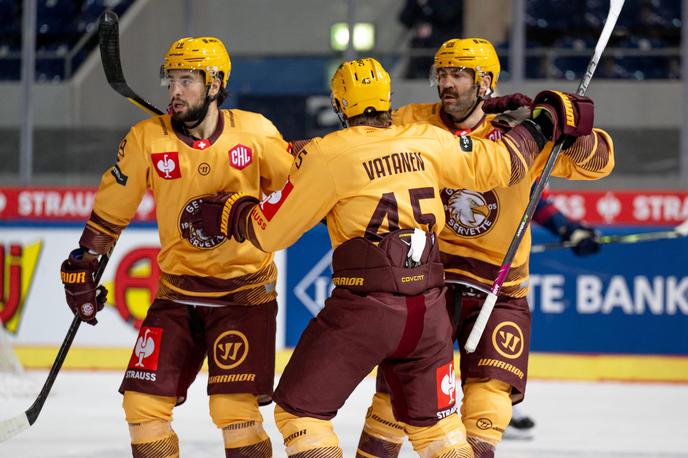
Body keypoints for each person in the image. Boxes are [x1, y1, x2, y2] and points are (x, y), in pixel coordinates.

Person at [195, 57, 594, 457]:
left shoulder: (327, 154)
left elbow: (270, 232)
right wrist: (540, 123)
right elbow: (504, 164)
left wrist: (231, 212)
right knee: (438, 433)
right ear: (387, 100)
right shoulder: (427, 138)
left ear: (338, 106)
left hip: (366, 309)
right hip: (430, 312)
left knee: (301, 415)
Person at [355, 38, 614, 457]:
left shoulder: (521, 131)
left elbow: (598, 164)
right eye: (442, 74)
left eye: (458, 74)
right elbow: (356, 148)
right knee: (393, 399)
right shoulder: (411, 121)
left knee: (488, 403)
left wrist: (564, 126)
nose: (447, 84)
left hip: (498, 287)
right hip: (426, 280)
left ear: (486, 82)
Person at [59, 36, 294, 457]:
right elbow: (113, 209)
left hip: (243, 295)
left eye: (187, 81)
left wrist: (251, 209)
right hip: (178, 294)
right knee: (142, 406)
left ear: (216, 84)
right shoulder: (147, 139)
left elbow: (299, 191)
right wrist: (85, 261)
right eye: (172, 81)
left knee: (234, 412)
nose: (175, 92)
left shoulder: (256, 132)